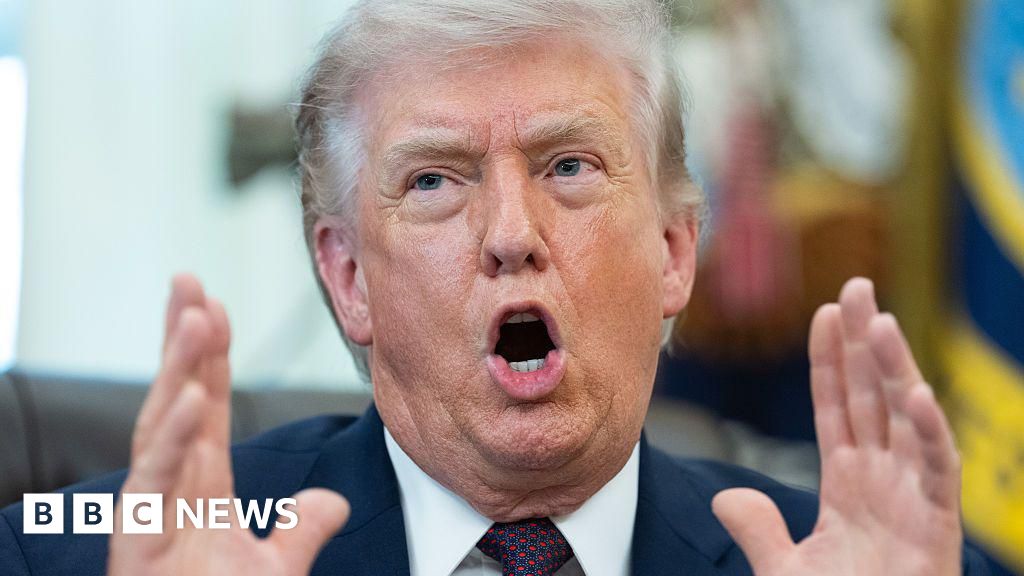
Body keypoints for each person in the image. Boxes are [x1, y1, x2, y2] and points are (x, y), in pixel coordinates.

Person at [0, 0, 989, 574]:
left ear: (673, 251)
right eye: (435, 181)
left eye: (569, 167)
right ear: (347, 276)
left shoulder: (856, 559)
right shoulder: (94, 551)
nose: (512, 235)